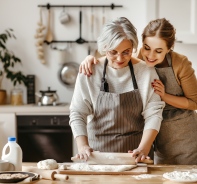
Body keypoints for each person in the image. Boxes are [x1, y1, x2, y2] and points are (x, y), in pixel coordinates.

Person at [79, 18, 197, 165]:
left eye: (158, 51)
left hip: (183, 135)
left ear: (169, 48)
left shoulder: (180, 64)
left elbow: (194, 103)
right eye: (146, 48)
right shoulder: (140, 61)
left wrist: (164, 96)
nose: (151, 55)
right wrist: (90, 59)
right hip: (158, 138)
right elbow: (116, 55)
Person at [69, 17, 165, 163]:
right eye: (113, 52)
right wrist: (82, 146)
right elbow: (77, 112)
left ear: (133, 47)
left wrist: (143, 149)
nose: (120, 58)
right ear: (104, 48)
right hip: (97, 156)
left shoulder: (146, 72)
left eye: (126, 52)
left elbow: (154, 114)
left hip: (136, 156)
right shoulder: (90, 71)